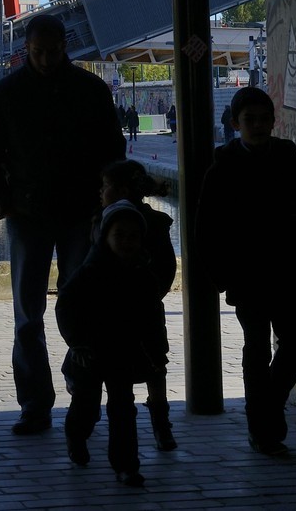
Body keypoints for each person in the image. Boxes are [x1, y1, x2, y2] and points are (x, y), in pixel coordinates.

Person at [0, 13, 125, 435]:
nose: (44, 60)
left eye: (51, 53)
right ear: (27, 49)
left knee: (72, 311)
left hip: (68, 214)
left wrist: (6, 203)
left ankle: (69, 394)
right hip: (34, 214)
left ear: (65, 47)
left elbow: (113, 150)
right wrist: (5, 205)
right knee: (32, 314)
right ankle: (40, 403)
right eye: (37, 53)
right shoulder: (79, 91)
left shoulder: (13, 93)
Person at [195, 86, 296, 456]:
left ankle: (263, 413)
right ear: (236, 123)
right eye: (251, 120)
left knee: (293, 344)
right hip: (249, 278)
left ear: (273, 121)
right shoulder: (222, 173)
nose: (259, 125)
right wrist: (223, 276)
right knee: (260, 348)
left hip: (285, 276)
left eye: (264, 119)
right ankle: (264, 424)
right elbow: (207, 231)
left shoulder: (294, 168)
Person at [56, 200, 166, 488]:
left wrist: (157, 353)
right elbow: (65, 306)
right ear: (105, 237)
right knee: (86, 404)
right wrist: (76, 342)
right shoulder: (89, 271)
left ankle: (126, 465)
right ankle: (76, 436)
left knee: (123, 409)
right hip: (89, 352)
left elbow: (154, 318)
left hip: (123, 352)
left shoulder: (144, 276)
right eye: (120, 235)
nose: (127, 242)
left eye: (133, 236)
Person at [97, 160, 177, 451]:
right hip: (150, 313)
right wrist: (151, 296)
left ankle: (124, 424)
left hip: (122, 314)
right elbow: (167, 270)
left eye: (104, 187)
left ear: (120, 190)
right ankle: (161, 426)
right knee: (156, 367)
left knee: (120, 372)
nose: (100, 192)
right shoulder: (156, 222)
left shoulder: (103, 223)